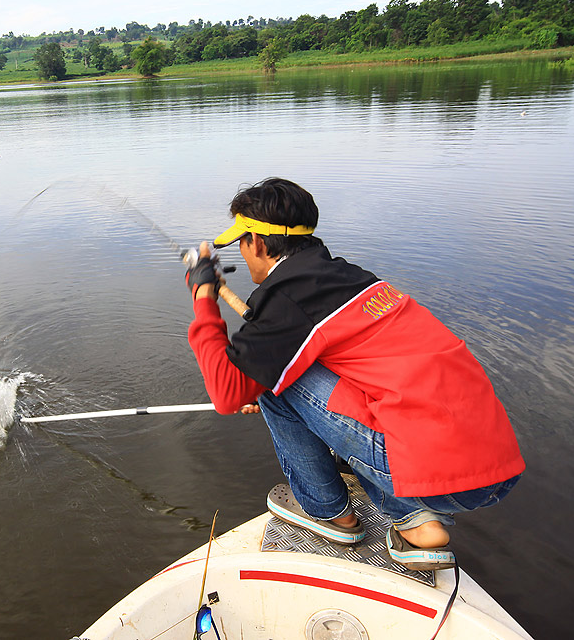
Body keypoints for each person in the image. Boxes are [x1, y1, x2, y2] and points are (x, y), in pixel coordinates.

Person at [185, 178, 524, 570]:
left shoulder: (288, 301)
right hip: (497, 466)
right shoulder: (352, 278)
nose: (244, 254)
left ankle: (333, 513)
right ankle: (413, 520)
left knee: (274, 381)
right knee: (278, 368)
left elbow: (227, 393)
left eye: (242, 244)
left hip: (448, 478)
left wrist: (203, 297)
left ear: (256, 243)